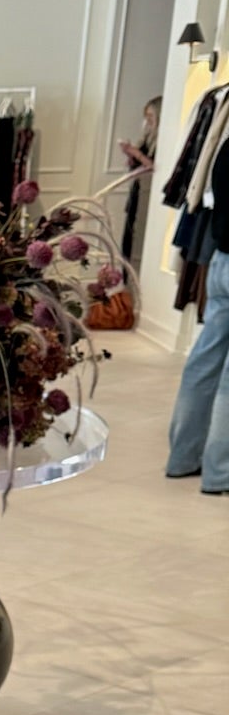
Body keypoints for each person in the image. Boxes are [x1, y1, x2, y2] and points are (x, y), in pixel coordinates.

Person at [165, 126, 229, 493]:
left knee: (204, 360)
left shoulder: (227, 148)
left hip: (221, 261)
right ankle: (220, 472)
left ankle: (183, 457)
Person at [118, 94, 161, 269]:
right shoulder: (148, 137)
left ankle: (135, 275)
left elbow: (156, 167)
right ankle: (126, 274)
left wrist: (136, 154)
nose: (147, 120)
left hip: (149, 193)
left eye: (151, 116)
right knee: (129, 235)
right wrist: (131, 156)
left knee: (140, 235)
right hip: (137, 187)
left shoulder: (163, 141)